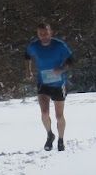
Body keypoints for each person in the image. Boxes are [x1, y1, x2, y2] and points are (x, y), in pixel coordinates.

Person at [24, 21, 74, 151]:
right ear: (38, 34)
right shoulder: (34, 46)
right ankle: (50, 134)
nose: (44, 36)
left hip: (58, 84)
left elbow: (71, 60)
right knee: (44, 112)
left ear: (50, 33)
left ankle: (61, 139)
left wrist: (62, 69)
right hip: (43, 83)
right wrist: (28, 70)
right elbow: (27, 55)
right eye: (41, 34)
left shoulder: (59, 45)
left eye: (46, 33)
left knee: (59, 115)